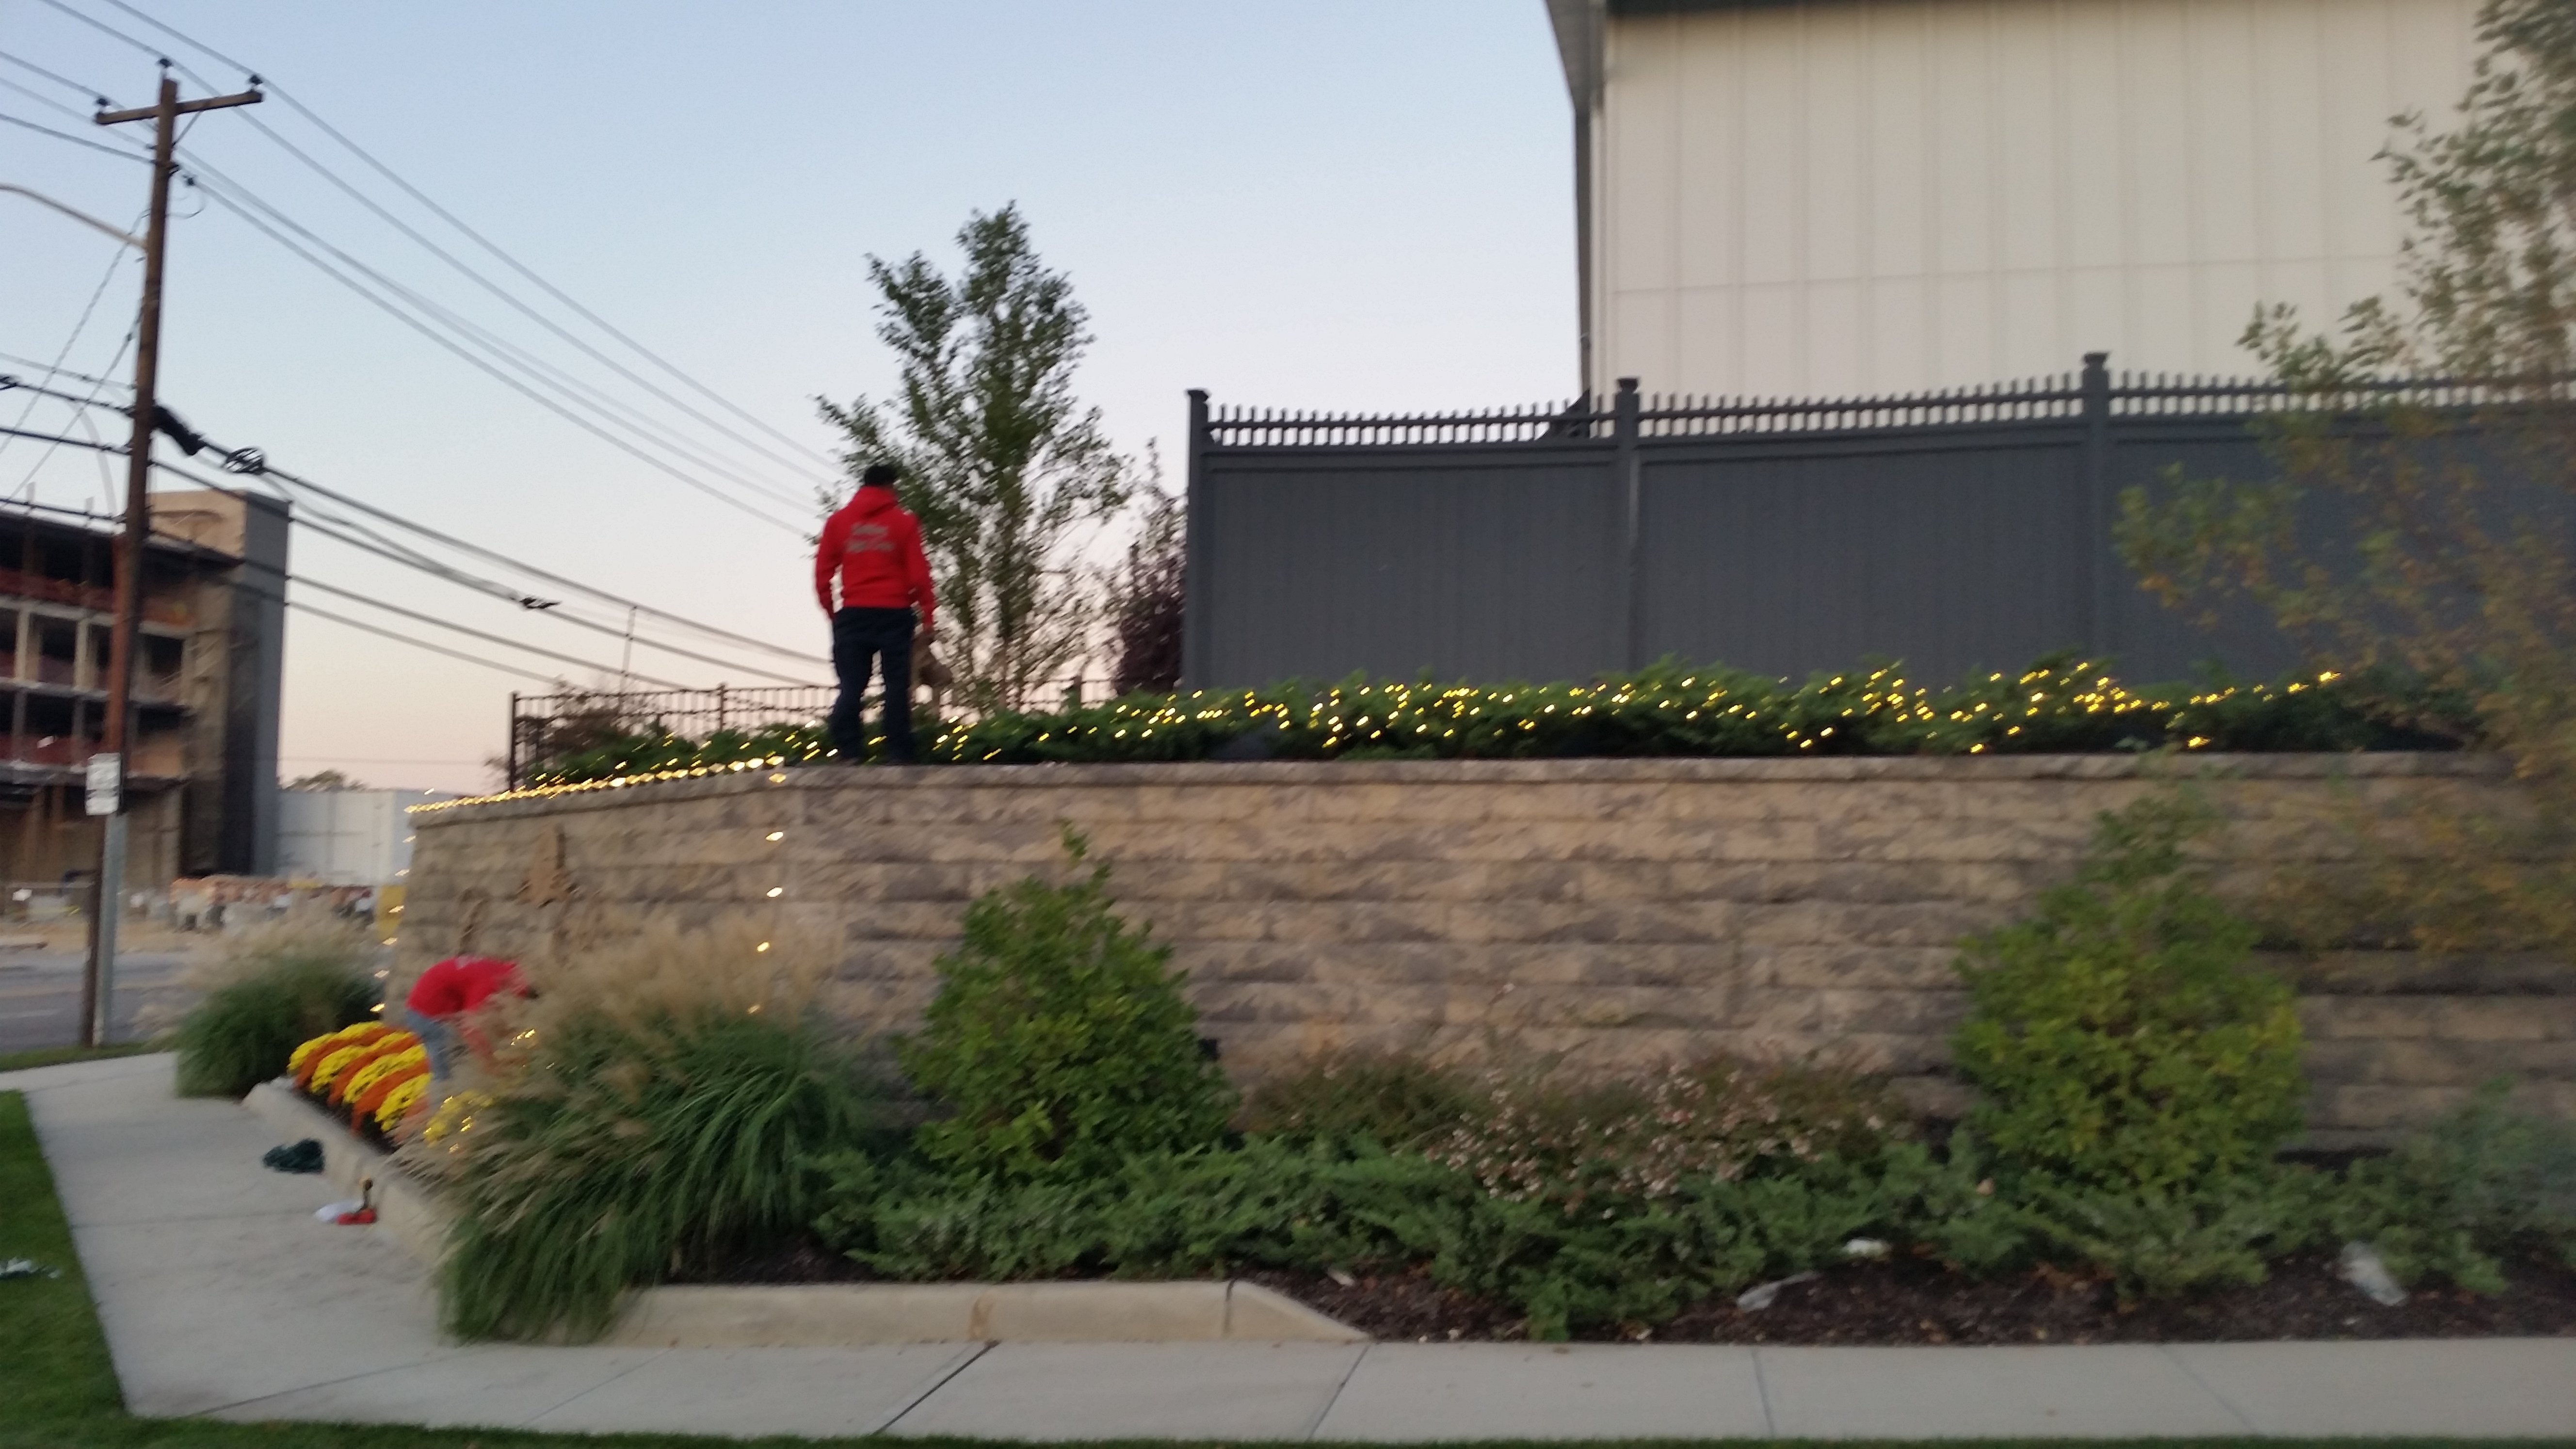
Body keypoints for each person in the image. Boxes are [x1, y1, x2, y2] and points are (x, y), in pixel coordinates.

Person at [815, 462, 937, 764]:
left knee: (852, 684)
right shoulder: (904, 522)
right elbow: (919, 574)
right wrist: (928, 614)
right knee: (896, 685)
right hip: (894, 613)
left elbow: (822, 573)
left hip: (854, 613)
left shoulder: (838, 522)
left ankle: (849, 751)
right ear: (891, 486)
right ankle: (898, 752)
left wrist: (833, 612)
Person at [403, 953, 525, 1078]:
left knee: (462, 1050)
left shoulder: (497, 969)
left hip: (428, 1006)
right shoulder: (488, 984)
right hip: (426, 1015)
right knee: (446, 1064)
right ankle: (443, 1088)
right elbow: (470, 1029)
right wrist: (491, 1065)